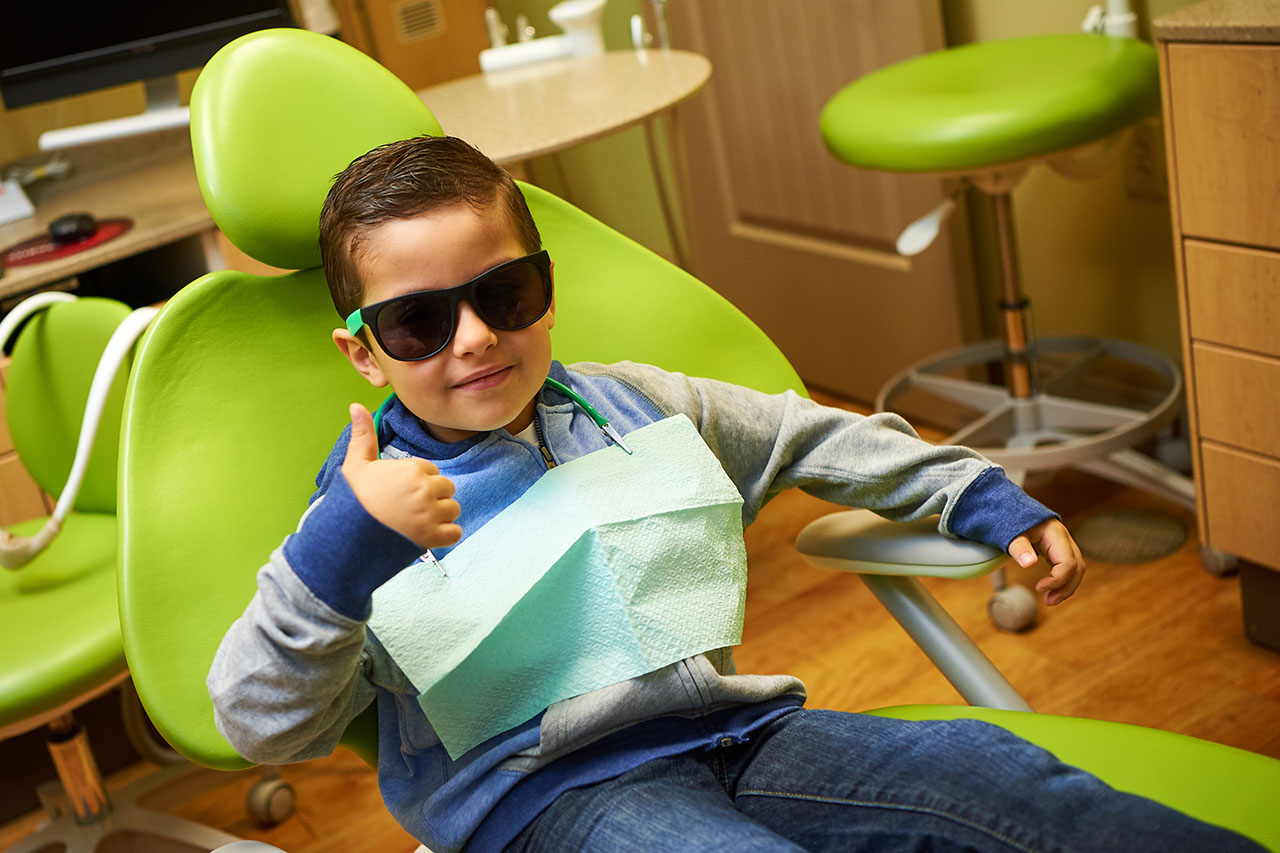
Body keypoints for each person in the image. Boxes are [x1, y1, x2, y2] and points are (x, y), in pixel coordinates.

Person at [208, 136, 1260, 853]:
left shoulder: (636, 408)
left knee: (1006, 784)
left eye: (503, 294)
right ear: (361, 353)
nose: (475, 336)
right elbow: (262, 723)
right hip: (545, 801)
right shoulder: (357, 508)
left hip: (731, 733)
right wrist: (342, 554)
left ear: (545, 284)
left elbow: (810, 435)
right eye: (417, 325)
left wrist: (977, 495)